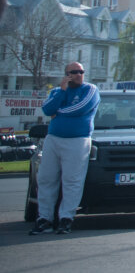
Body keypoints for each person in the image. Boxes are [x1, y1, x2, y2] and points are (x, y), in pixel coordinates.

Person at [30, 62, 100, 235]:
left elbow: (80, 108)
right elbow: (47, 109)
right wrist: (62, 91)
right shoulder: (57, 91)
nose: (78, 74)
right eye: (73, 72)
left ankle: (66, 219)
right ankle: (44, 219)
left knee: (72, 181)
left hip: (77, 140)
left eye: (81, 71)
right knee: (46, 179)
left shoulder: (90, 90)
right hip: (53, 139)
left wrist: (58, 112)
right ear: (66, 74)